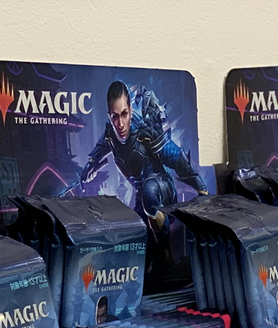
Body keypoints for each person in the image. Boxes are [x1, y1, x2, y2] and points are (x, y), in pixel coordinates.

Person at [76, 81, 207, 257]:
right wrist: (89, 167)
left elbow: (174, 156)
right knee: (137, 242)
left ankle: (166, 253)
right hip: (141, 198)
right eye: (115, 117)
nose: (120, 124)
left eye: (124, 114)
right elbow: (96, 155)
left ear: (130, 110)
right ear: (109, 116)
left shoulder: (145, 130)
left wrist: (200, 188)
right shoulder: (110, 135)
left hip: (162, 188)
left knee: (149, 191)